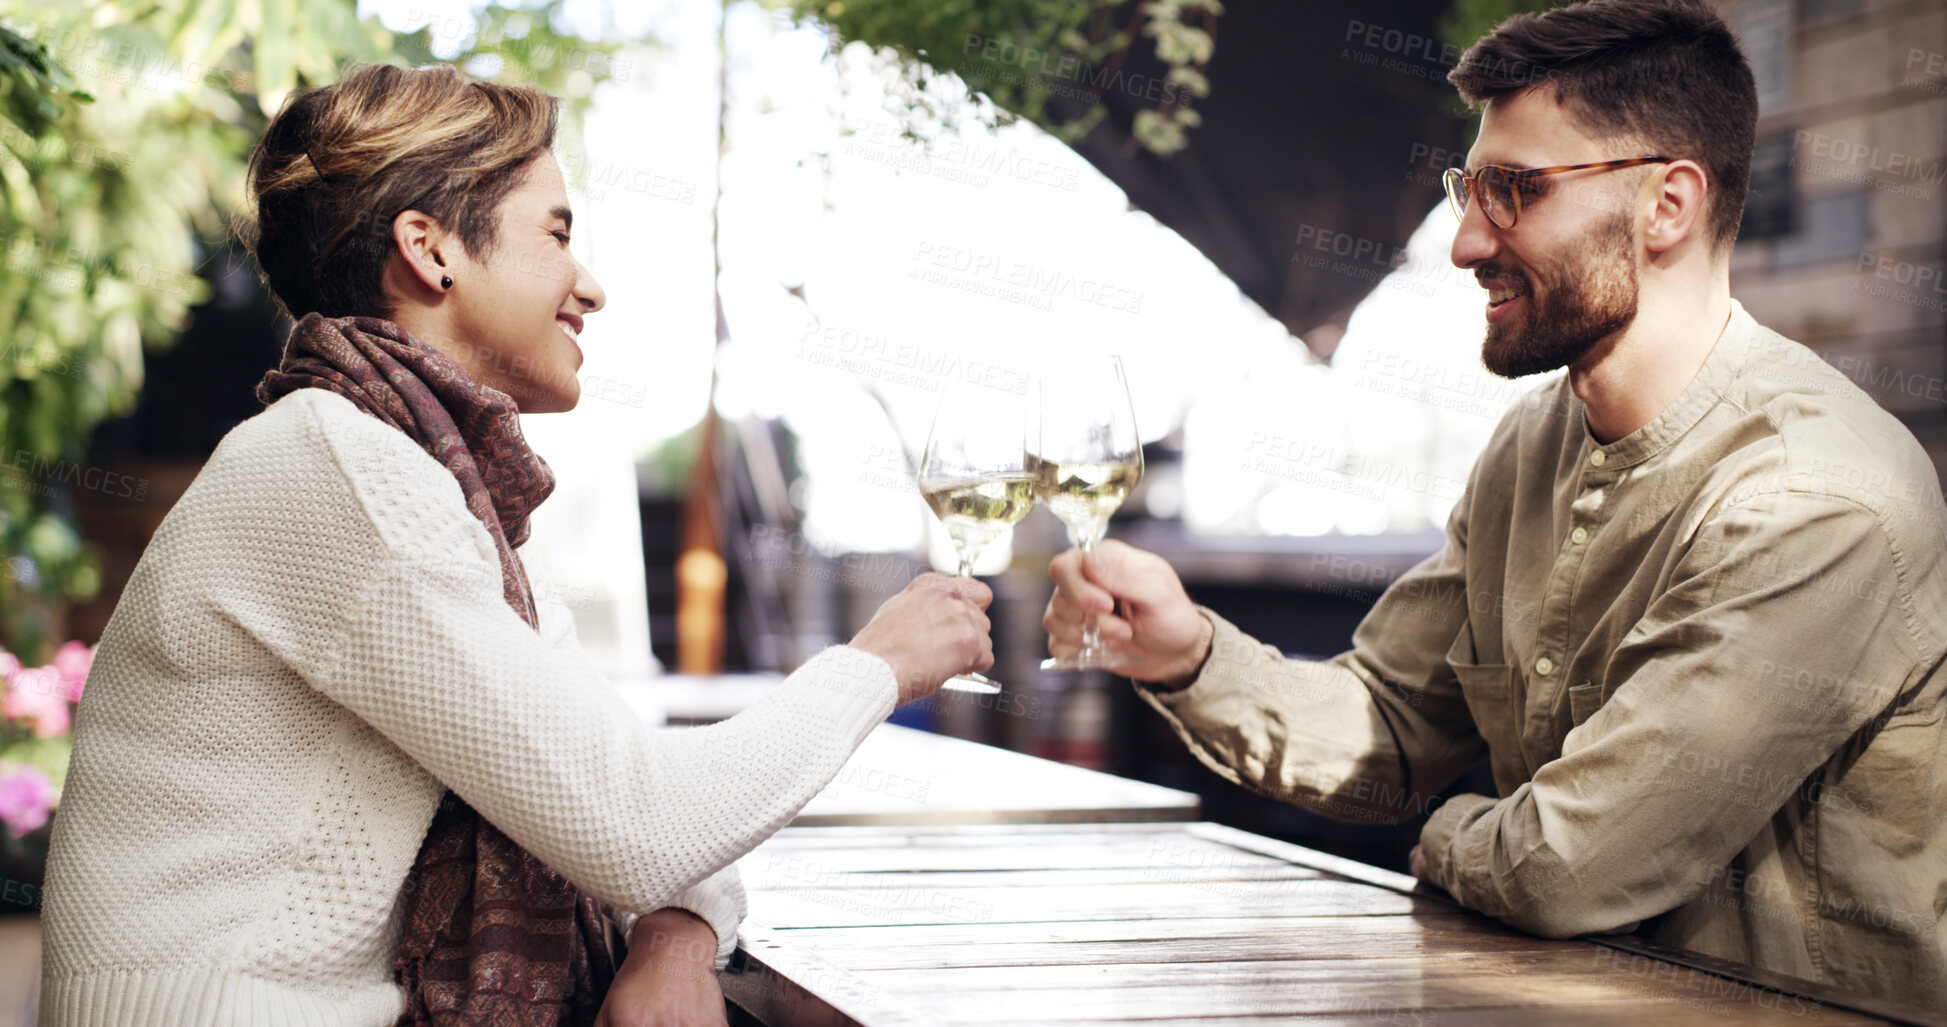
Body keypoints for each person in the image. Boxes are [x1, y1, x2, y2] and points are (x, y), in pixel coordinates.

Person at [37, 63, 995, 1026]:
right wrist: (878, 664)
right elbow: (640, 826)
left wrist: (678, 933)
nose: (591, 286)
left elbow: (628, 786)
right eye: (557, 232)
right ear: (431, 249)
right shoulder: (333, 463)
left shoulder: (443, 496)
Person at [1047, 0, 1947, 1006]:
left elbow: (1570, 863)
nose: (1468, 241)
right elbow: (1389, 725)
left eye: (1515, 191)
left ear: (1669, 205)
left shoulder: (1818, 496)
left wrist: (1448, 834)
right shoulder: (1531, 447)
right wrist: (1191, 655)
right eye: (1468, 189)